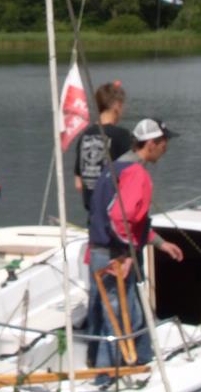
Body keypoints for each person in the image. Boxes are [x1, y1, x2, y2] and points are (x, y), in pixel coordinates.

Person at [87, 117, 184, 375]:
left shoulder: (115, 167)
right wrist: (124, 254)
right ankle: (106, 378)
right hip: (113, 256)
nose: (165, 148)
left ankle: (135, 361)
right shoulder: (136, 174)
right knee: (118, 318)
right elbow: (120, 217)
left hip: (98, 251)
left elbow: (128, 220)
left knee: (115, 314)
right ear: (151, 143)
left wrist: (160, 243)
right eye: (163, 142)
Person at [74, 82, 133, 212]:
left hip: (93, 213)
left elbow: (79, 183)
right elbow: (134, 177)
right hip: (116, 214)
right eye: (122, 106)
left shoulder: (84, 136)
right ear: (117, 105)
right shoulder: (122, 135)